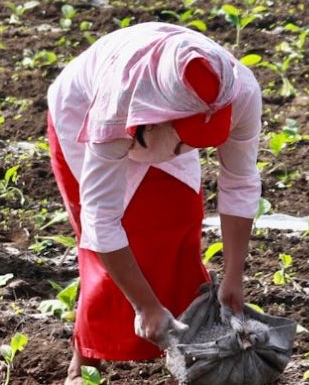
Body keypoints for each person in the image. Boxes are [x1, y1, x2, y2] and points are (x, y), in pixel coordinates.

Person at [46, 22, 262, 384]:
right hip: (85, 110)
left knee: (178, 218)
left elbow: (239, 181)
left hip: (164, 116)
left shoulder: (235, 92)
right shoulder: (113, 109)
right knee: (122, 233)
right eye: (188, 141)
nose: (196, 150)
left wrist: (234, 278)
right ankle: (82, 369)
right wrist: (145, 306)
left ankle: (192, 350)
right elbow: (101, 220)